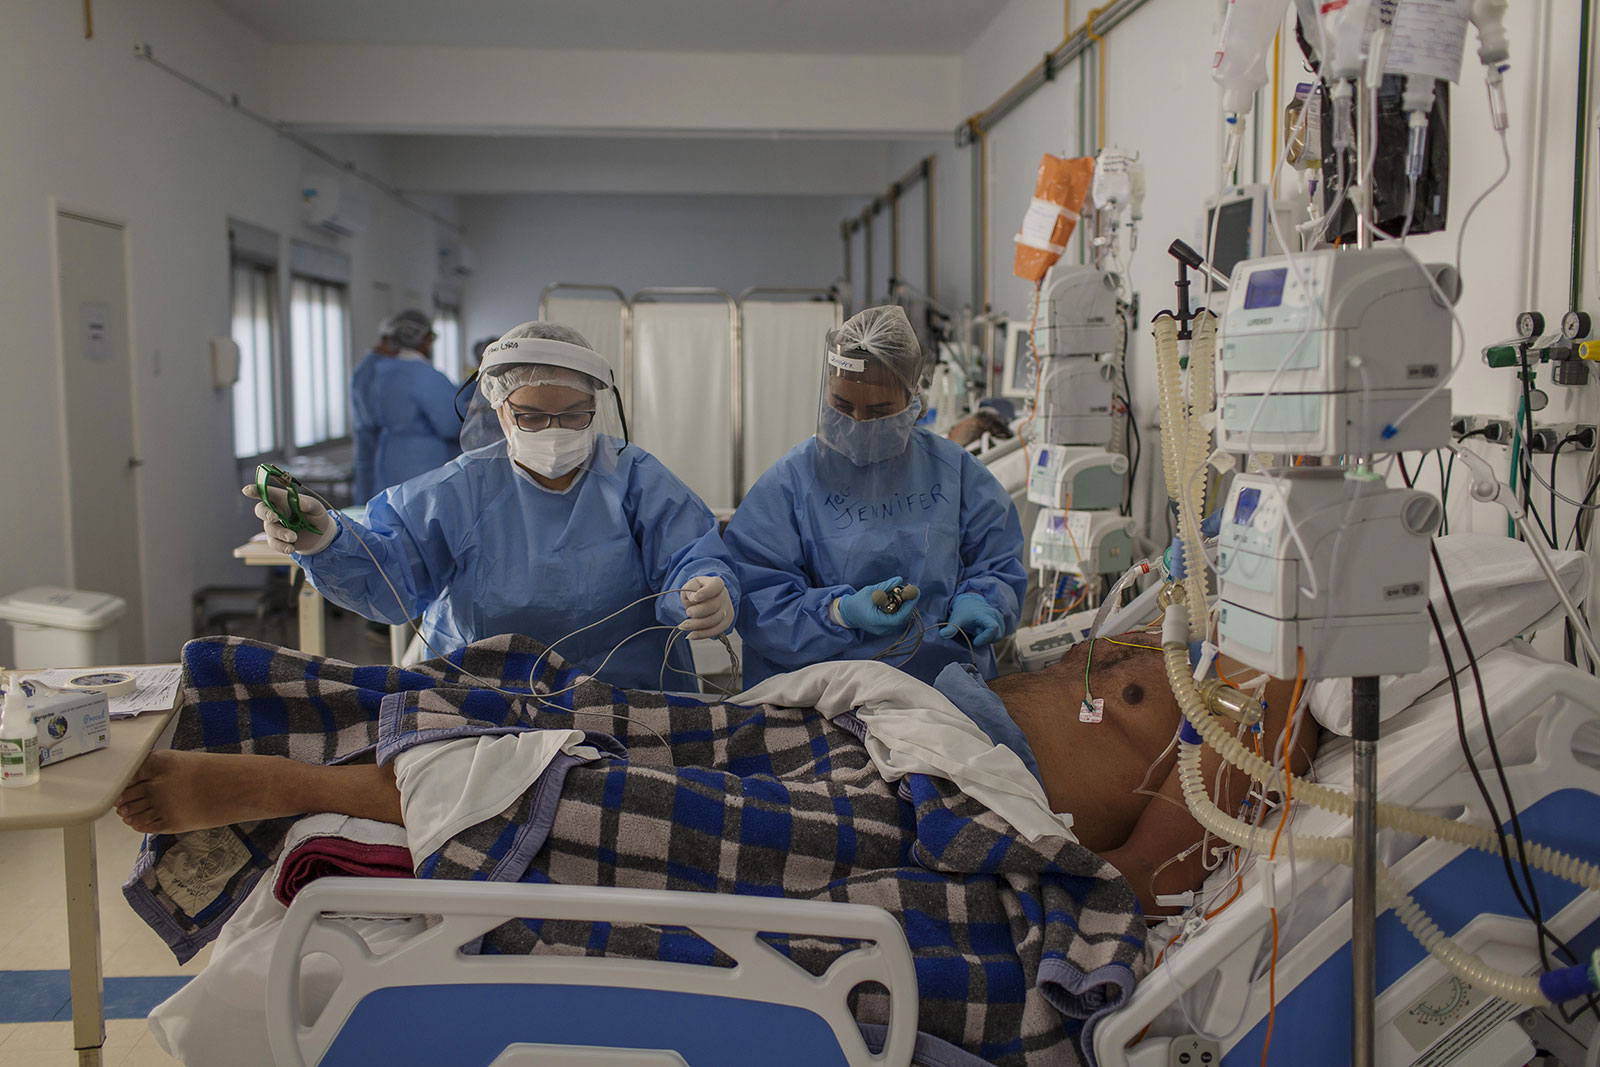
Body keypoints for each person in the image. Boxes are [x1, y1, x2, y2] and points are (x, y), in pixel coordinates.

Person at [113, 633, 1319, 915]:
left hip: (950, 794)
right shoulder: (1205, 617)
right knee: (561, 701)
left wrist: (1306, 672)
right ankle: (334, 731)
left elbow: (1141, 873)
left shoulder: (1278, 708)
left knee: (610, 799)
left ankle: (307, 785)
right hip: (891, 714)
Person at [245, 321, 739, 690]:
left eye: (574, 415)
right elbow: (389, 573)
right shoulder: (460, 490)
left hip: (626, 700)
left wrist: (704, 591)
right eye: (532, 416)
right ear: (499, 412)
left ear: (596, 407)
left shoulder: (634, 477)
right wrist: (327, 543)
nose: (555, 430)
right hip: (484, 699)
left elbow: (688, 555)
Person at [723, 305, 1027, 687]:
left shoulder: (957, 473)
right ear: (826, 393)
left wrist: (983, 601)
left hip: (940, 685)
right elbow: (758, 598)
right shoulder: (789, 484)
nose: (859, 424)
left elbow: (997, 562)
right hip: (820, 692)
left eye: (880, 410)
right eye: (842, 407)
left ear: (913, 400)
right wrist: (838, 613)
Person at [349, 308, 461, 502]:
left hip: (389, 460)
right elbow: (451, 425)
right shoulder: (426, 376)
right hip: (423, 465)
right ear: (424, 339)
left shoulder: (381, 372)